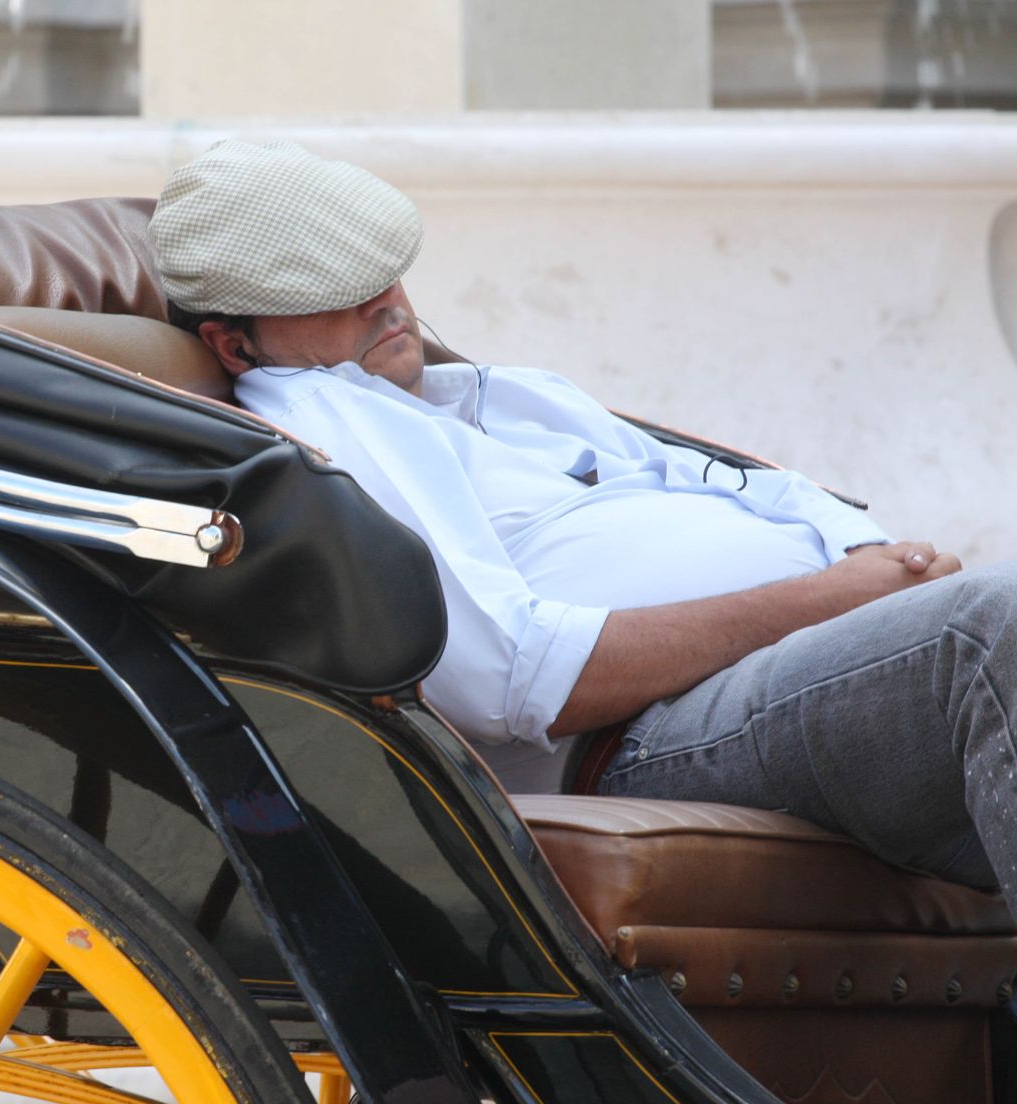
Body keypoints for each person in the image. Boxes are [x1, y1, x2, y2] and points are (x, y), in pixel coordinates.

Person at [149, 138, 1017, 914]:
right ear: (234, 345)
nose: (387, 301)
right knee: (991, 631)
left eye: (387, 267)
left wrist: (878, 566)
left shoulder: (506, 394)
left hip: (792, 668)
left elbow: (762, 489)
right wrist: (831, 600)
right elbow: (514, 681)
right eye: (336, 291)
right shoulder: (327, 432)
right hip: (638, 739)